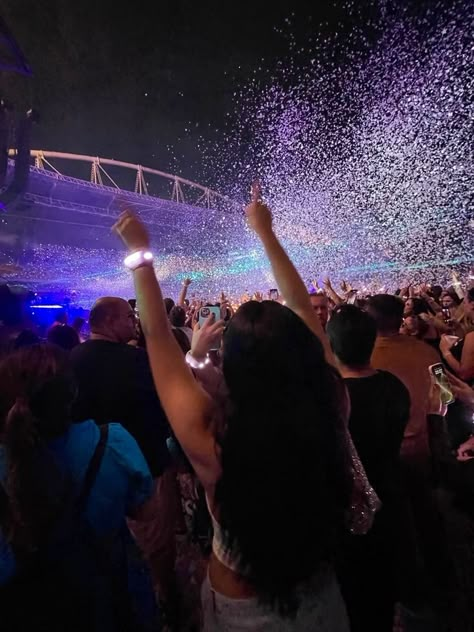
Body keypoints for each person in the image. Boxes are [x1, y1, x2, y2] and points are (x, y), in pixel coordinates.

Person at [113, 186, 352, 630]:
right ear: (303, 349)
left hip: (244, 610)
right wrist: (265, 232)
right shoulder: (332, 401)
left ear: (233, 365)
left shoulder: (212, 439)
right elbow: (302, 307)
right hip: (322, 592)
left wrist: (142, 255)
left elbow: (158, 339)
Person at [0, 344, 159, 631]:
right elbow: (146, 511)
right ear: (72, 393)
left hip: (25, 602)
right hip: (108, 589)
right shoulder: (113, 443)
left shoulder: (7, 460)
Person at [69, 297, 174, 601]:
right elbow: (162, 408)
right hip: (144, 466)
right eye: (129, 316)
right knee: (155, 544)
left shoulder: (71, 358)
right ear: (110, 321)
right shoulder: (136, 360)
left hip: (94, 472)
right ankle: (164, 602)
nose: (134, 321)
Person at [368, 293, 454, 617]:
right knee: (426, 517)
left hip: (384, 455)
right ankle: (442, 580)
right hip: (420, 450)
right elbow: (444, 398)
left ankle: (409, 594)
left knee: (396, 527)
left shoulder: (364, 355)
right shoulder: (426, 350)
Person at [327, 305, 412, 631]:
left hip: (353, 506)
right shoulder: (394, 387)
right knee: (383, 583)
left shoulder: (334, 400)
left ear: (332, 347)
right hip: (390, 493)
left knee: (356, 587)